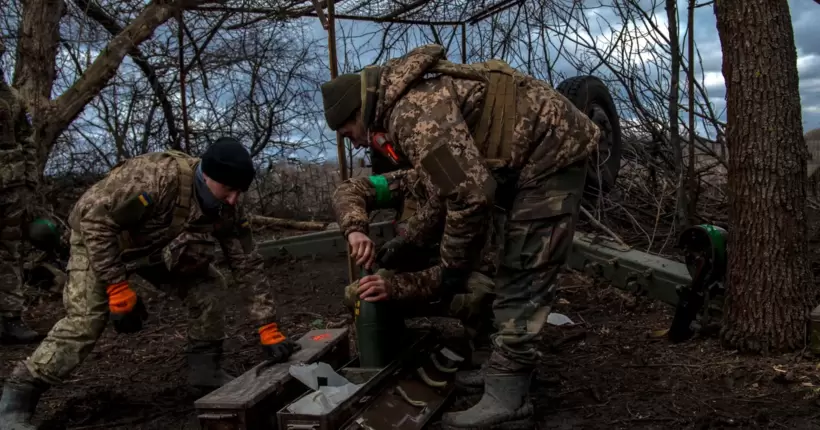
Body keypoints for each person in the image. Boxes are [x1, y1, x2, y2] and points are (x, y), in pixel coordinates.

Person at [320, 44, 601, 428]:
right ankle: (502, 374)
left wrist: (448, 271)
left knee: (524, 272)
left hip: (551, 153)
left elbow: (469, 198)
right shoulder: (407, 106)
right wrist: (399, 240)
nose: (351, 141)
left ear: (359, 113)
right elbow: (446, 192)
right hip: (527, 158)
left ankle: (508, 397)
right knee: (513, 270)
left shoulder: (412, 114)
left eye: (347, 131)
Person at [0, 138, 301, 429]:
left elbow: (246, 263)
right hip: (100, 241)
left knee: (209, 288)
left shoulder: (229, 207)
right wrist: (117, 288)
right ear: (208, 176)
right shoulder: (158, 177)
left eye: (240, 192)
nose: (234, 199)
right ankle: (20, 393)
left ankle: (205, 372)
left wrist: (267, 327)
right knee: (86, 321)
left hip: (153, 247)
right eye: (229, 189)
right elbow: (94, 222)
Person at [332, 166, 501, 369]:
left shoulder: (472, 193)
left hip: (455, 278)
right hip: (414, 275)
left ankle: (486, 349)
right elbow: (350, 189)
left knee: (482, 294)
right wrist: (355, 229)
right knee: (361, 292)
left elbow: (455, 271)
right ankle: (396, 347)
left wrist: (395, 286)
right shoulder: (409, 181)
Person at [0, 70, 41, 345]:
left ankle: (11, 318)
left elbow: (27, 139)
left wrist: (29, 181)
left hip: (11, 189)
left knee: (9, 252)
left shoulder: (12, 98)